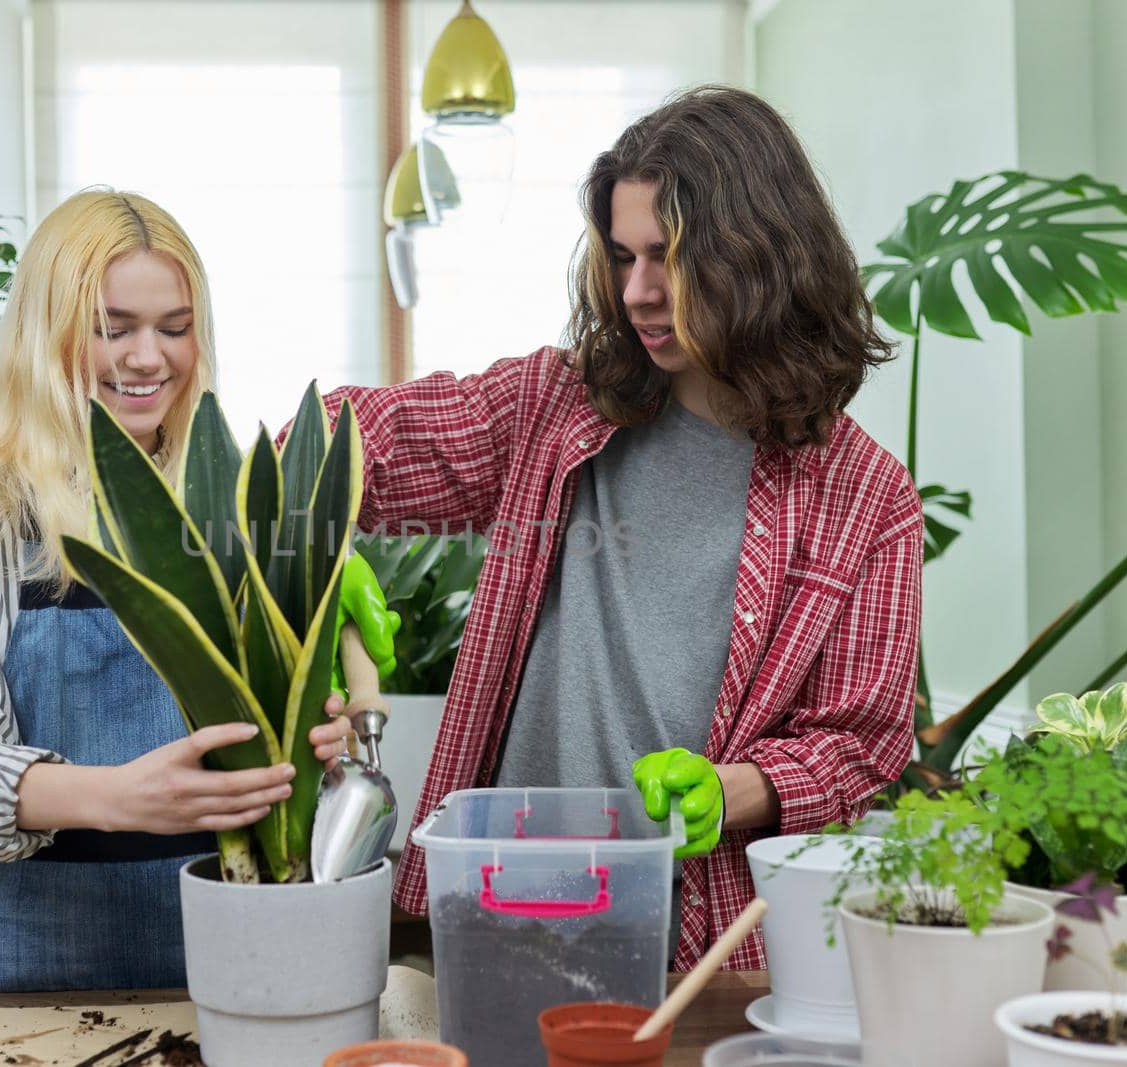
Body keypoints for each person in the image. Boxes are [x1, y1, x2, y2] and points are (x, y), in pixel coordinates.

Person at [305, 86, 922, 969]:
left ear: (759, 256)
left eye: (669, 257)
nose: (637, 291)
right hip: (502, 907)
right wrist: (309, 534)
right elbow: (355, 439)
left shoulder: (865, 498)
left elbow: (860, 746)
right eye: (624, 255)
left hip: (696, 941)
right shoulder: (555, 408)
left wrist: (732, 790)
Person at [0, 190, 363, 992]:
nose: (149, 357)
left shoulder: (232, 502)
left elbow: (268, 721)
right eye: (114, 328)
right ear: (46, 334)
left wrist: (313, 745)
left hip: (235, 947)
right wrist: (120, 796)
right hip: (38, 965)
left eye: (174, 328)